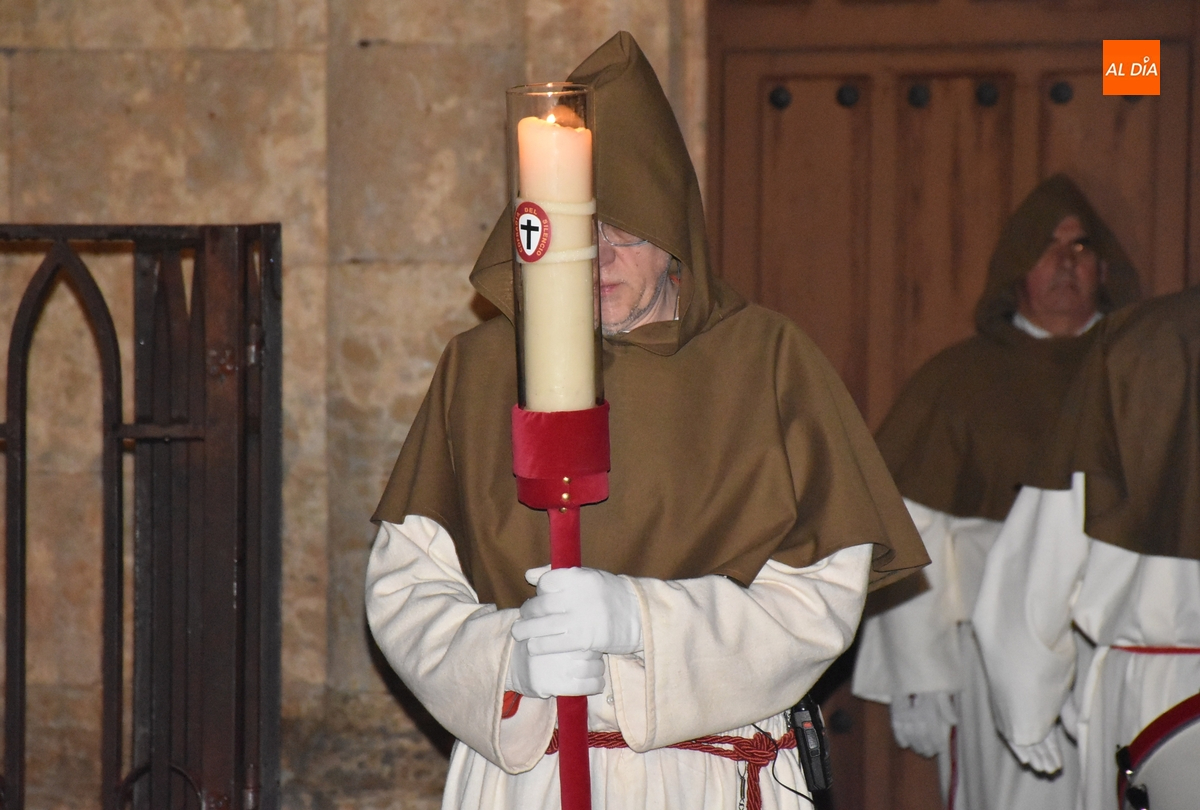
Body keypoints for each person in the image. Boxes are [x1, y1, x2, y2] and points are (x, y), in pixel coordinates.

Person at [365, 31, 928, 810]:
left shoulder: (767, 362)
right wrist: (505, 661)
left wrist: (640, 621)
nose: (597, 257)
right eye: (577, 227)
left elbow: (819, 600)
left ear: (674, 235)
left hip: (707, 776)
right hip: (527, 778)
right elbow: (406, 588)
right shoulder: (480, 369)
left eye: (626, 231)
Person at [851, 175, 1140, 810]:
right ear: (1015, 269)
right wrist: (920, 673)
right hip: (995, 648)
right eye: (1047, 246)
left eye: (1081, 246)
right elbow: (910, 529)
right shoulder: (959, 380)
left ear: (1104, 268)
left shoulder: (1145, 371)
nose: (1066, 262)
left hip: (1125, 648)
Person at [972, 287, 1200, 810]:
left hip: (1153, 688)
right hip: (1152, 681)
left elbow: (1046, 542)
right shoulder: (1135, 340)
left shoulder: (1138, 340)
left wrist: (1027, 698)